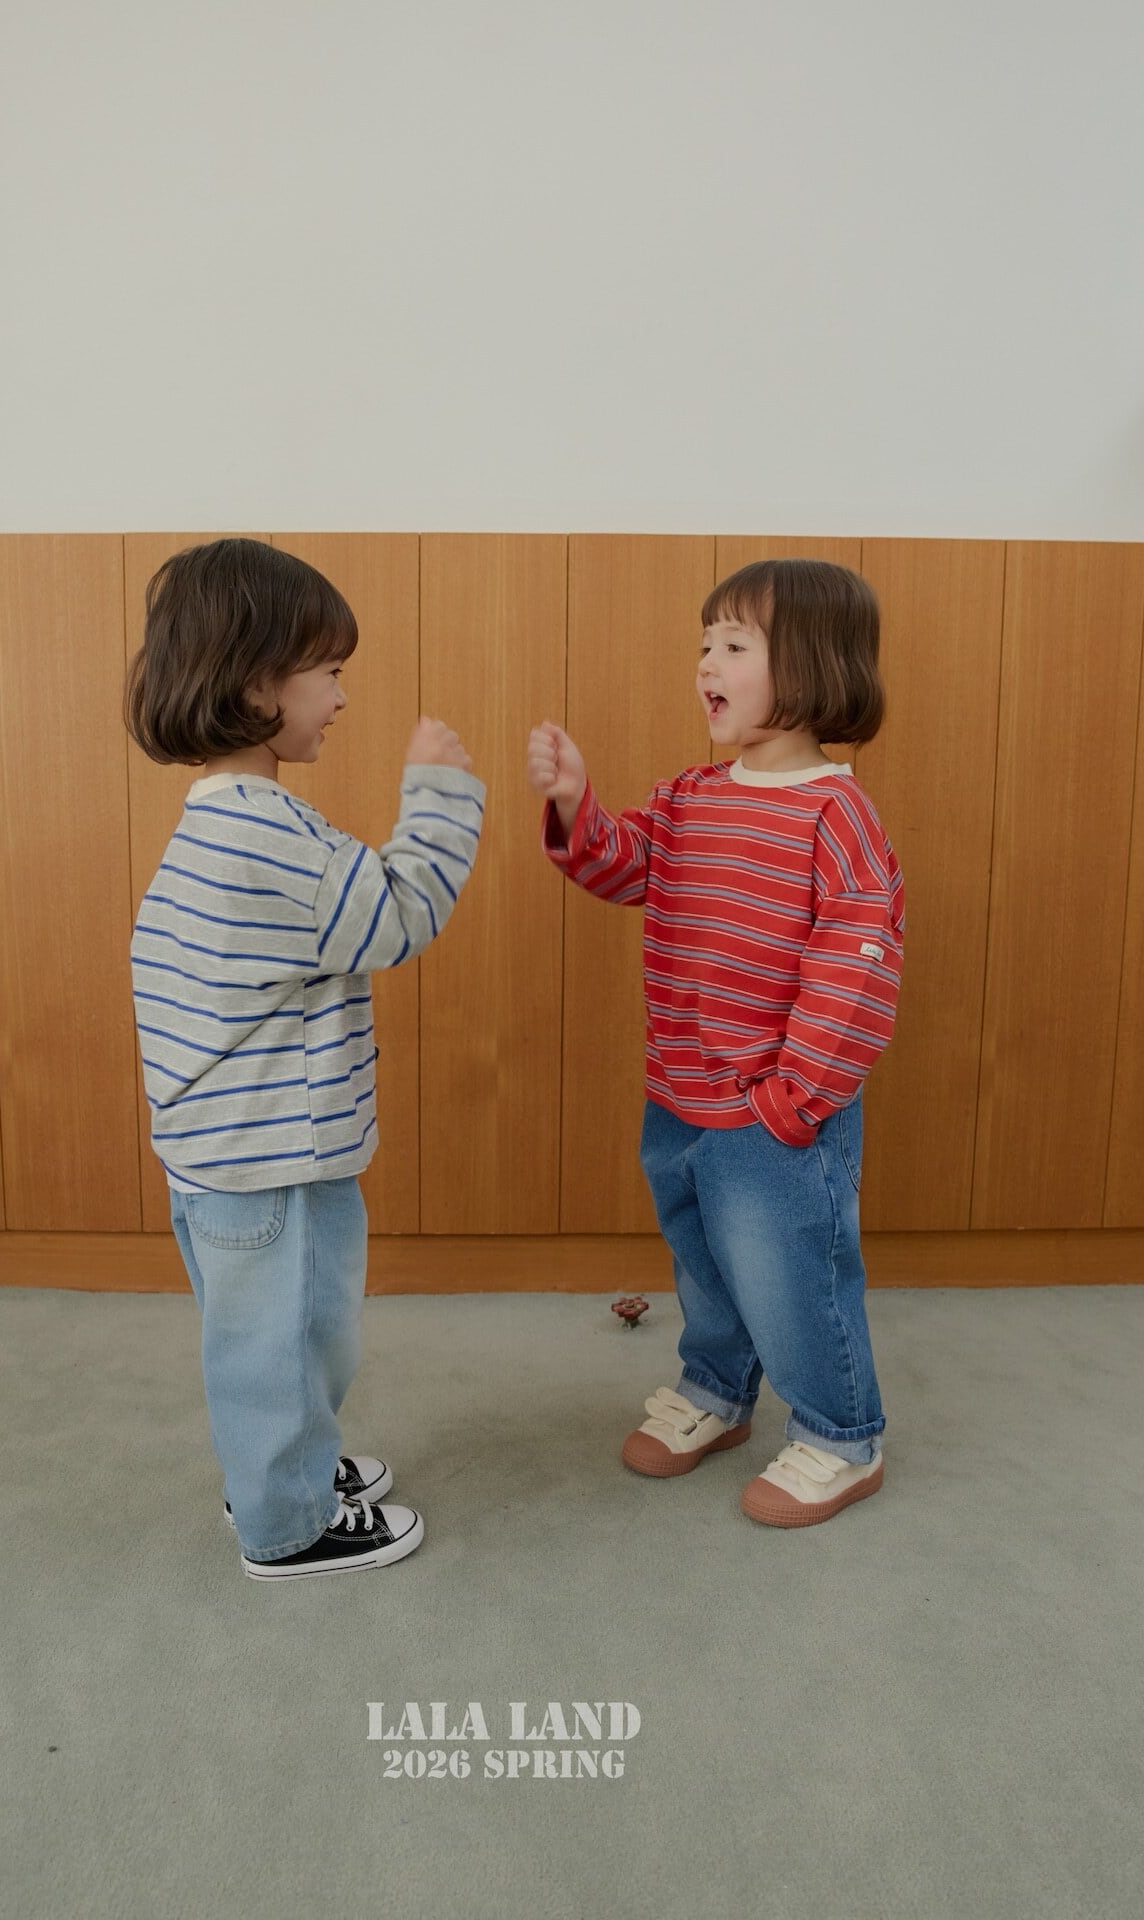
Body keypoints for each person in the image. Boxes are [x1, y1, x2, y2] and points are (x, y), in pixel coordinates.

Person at [124, 538, 485, 1577]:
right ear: (255, 686)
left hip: (246, 1153)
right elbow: (395, 917)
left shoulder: (231, 822)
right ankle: (286, 1526)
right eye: (327, 671)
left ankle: (283, 1469)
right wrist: (440, 798)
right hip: (264, 1161)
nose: (341, 697)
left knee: (292, 1335)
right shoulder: (261, 833)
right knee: (278, 1345)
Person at [527, 558, 905, 1527]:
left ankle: (841, 1435)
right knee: (702, 1260)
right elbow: (625, 866)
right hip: (680, 1094)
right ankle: (716, 1390)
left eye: (734, 645)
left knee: (790, 1275)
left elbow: (855, 969)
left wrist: (794, 1099)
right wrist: (574, 803)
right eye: (705, 644)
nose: (706, 663)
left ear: (812, 666)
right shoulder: (690, 797)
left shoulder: (836, 816)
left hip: (778, 1112)